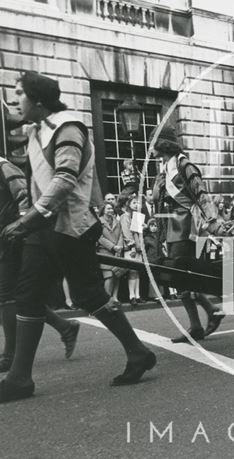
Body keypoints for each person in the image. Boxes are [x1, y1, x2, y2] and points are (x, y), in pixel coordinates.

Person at [0, 71, 155, 403]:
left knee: (88, 294)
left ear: (38, 101)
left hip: (68, 227)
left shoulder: (68, 127)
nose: (16, 102)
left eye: (19, 95)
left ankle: (137, 351)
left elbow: (66, 179)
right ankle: (19, 378)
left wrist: (27, 220)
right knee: (27, 294)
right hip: (45, 229)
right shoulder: (38, 129)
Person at [0, 144, 80, 372]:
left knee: (7, 295)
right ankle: (65, 326)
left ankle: (10, 354)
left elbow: (24, 196)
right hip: (5, 238)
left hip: (10, 237)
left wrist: (22, 226)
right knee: (18, 295)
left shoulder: (3, 167)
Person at [150, 125, 225, 343]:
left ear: (162, 143)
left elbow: (201, 194)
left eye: (152, 142)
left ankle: (205, 317)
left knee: (179, 275)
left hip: (186, 228)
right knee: (180, 277)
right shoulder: (164, 169)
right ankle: (203, 318)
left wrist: (213, 222)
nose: (149, 148)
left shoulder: (184, 165)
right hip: (172, 227)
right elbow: (157, 199)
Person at [97, 201, 124, 304]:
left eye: (111, 208)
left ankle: (114, 298)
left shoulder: (117, 221)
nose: (111, 210)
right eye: (108, 208)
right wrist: (112, 246)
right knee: (108, 276)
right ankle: (106, 300)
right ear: (103, 210)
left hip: (117, 252)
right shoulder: (99, 222)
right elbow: (99, 237)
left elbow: (121, 234)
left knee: (117, 275)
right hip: (105, 252)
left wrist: (119, 246)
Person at [120, 195, 142, 306]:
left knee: (137, 271)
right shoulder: (125, 217)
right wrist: (132, 246)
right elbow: (126, 233)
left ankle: (137, 295)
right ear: (128, 204)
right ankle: (131, 295)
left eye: (137, 203)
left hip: (138, 247)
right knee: (132, 272)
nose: (136, 205)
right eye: (134, 202)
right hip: (131, 248)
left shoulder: (136, 216)